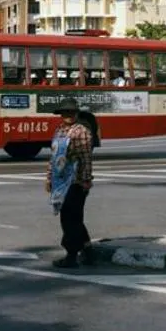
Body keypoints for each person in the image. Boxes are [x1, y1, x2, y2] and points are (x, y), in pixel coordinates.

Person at [45, 100, 94, 268]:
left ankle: (71, 255)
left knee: (70, 218)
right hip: (60, 182)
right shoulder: (59, 131)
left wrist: (86, 180)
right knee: (73, 217)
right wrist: (49, 178)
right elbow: (53, 157)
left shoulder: (82, 131)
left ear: (76, 114)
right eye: (64, 113)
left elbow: (85, 159)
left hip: (75, 181)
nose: (67, 116)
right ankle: (88, 250)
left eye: (70, 113)